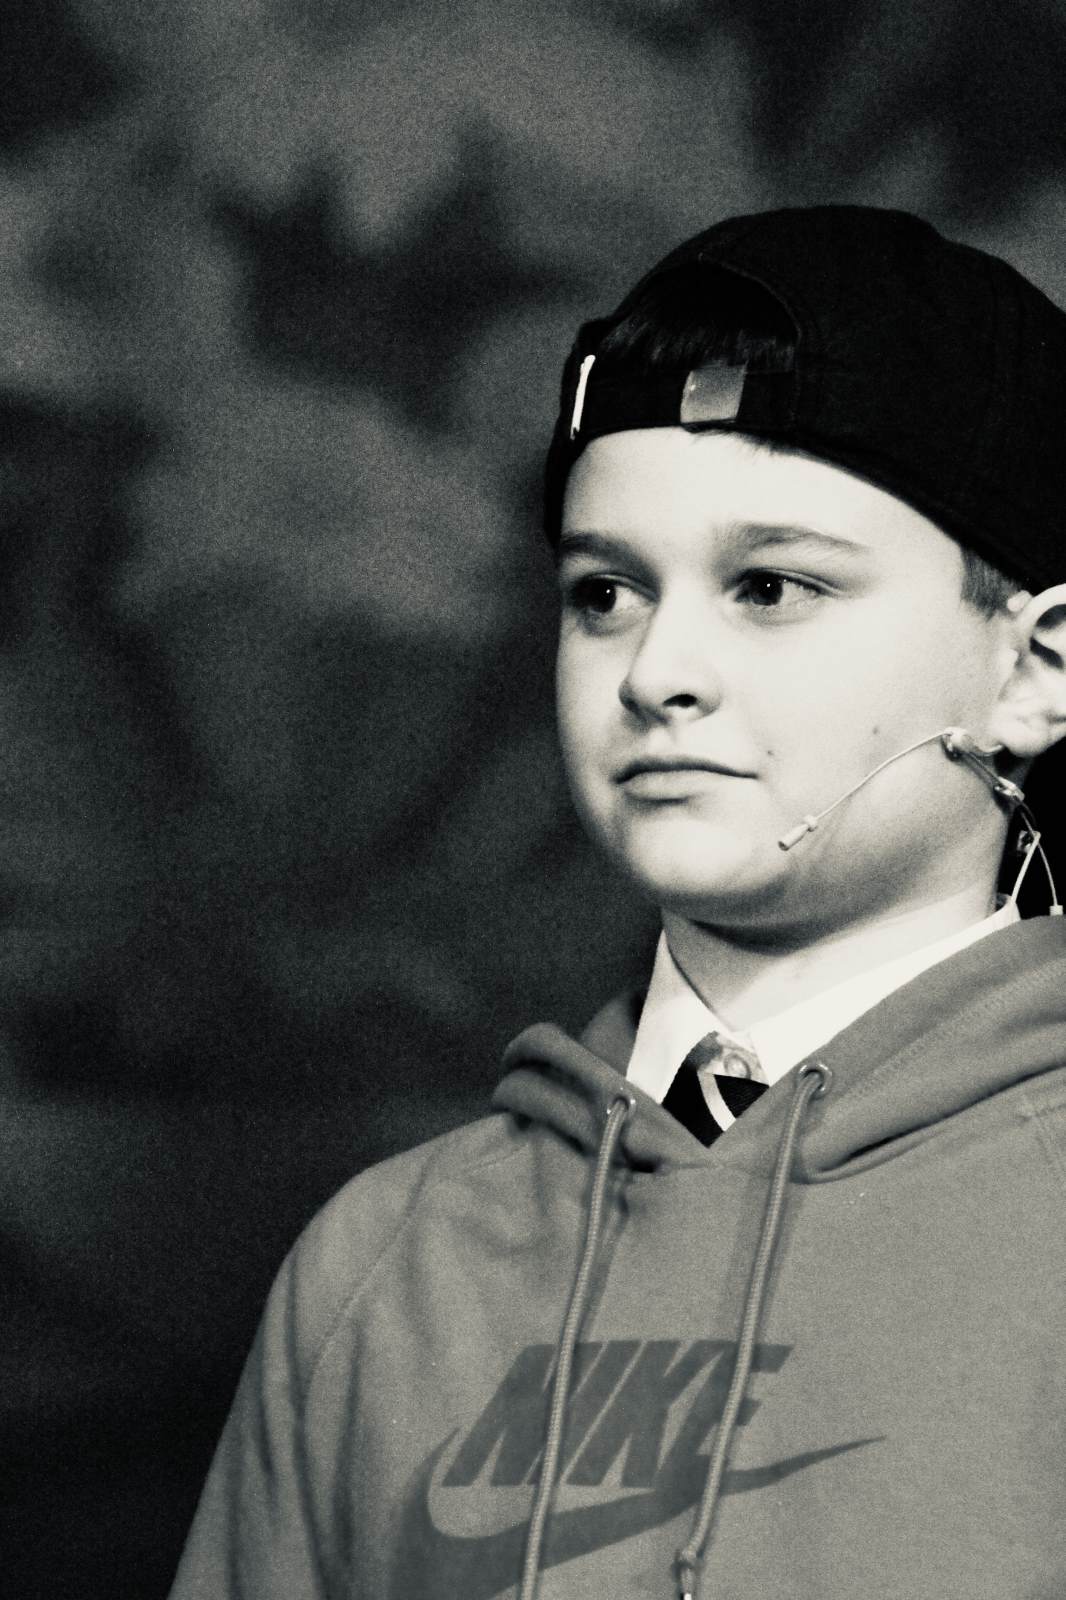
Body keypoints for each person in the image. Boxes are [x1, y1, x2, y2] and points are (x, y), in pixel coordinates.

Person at [168, 206, 1066, 1600]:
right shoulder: (385, 1264)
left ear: (1034, 670)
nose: (655, 672)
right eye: (605, 593)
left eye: (770, 586)